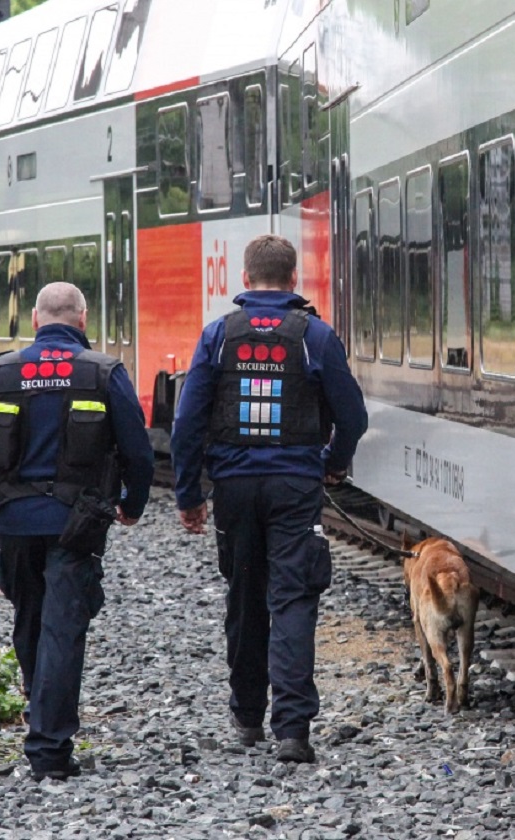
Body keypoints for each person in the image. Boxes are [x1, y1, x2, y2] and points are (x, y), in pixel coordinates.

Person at [0, 282, 154, 782]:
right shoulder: (104, 372)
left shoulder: (0, 372)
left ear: (35, 321)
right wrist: (132, 504)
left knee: (32, 619)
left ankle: (43, 720)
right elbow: (138, 450)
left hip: (15, 523)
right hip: (76, 525)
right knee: (63, 628)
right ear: (83, 319)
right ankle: (49, 748)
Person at [171, 234, 367, 764]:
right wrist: (331, 463)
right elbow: (353, 418)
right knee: (294, 596)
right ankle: (293, 731)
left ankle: (246, 717)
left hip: (233, 487)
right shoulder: (315, 336)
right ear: (293, 279)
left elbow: (187, 423)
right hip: (294, 489)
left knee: (244, 592)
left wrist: (190, 493)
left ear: (244, 278)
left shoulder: (218, 336)